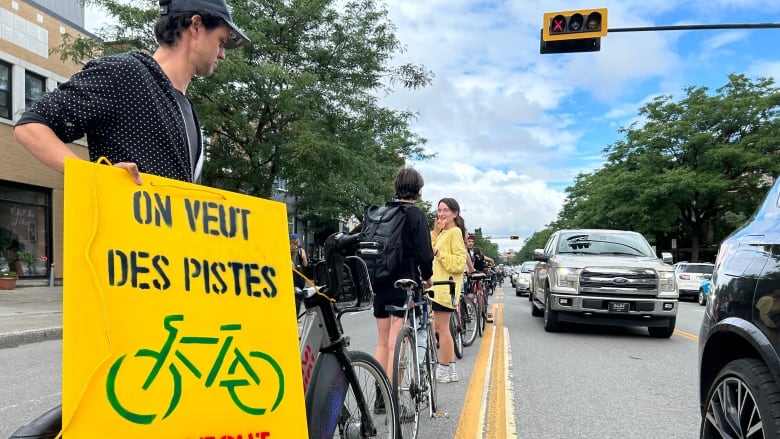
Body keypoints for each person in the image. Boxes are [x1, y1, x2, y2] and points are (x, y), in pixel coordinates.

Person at [13, 0, 250, 185]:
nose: (222, 54)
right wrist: (94, 177)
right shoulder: (125, 73)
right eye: (220, 41)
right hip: (121, 243)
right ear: (196, 26)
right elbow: (31, 126)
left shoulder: (186, 108)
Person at [367, 167, 434, 413]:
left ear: (397, 187)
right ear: (418, 189)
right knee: (398, 345)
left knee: (383, 342)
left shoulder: (381, 213)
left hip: (380, 282)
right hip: (403, 283)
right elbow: (425, 255)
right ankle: (392, 400)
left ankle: (379, 397)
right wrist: (428, 279)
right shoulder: (414, 215)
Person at [430, 197, 467, 383]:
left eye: (445, 210)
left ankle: (444, 369)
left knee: (442, 329)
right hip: (439, 287)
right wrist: (436, 232)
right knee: (441, 328)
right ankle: (451, 369)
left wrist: (438, 253)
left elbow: (459, 263)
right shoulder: (444, 233)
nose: (441, 214)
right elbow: (431, 248)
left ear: (455, 213)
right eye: (439, 210)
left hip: (447, 287)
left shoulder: (455, 232)